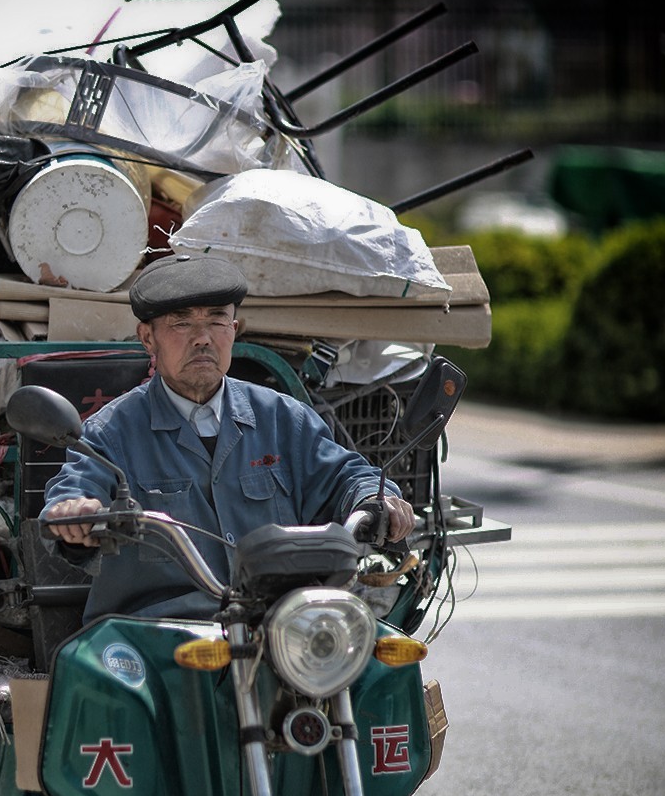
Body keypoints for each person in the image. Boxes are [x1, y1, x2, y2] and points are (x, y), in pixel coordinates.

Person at [40, 253, 415, 621]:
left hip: (277, 631)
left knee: (387, 668)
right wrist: (75, 513)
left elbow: (345, 474)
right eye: (181, 323)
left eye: (217, 320)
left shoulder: (283, 418)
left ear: (234, 331)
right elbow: (75, 488)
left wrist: (375, 496)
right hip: (157, 636)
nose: (203, 338)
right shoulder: (111, 432)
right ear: (147, 338)